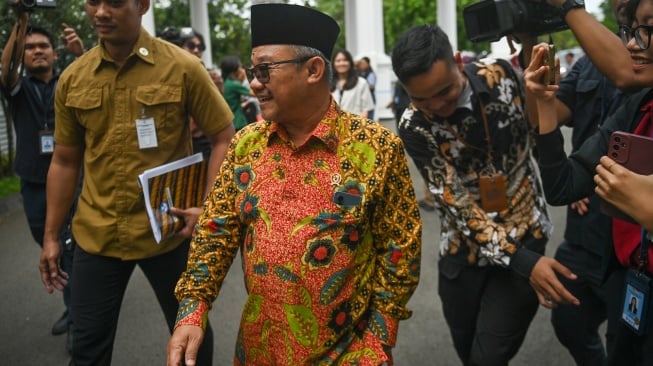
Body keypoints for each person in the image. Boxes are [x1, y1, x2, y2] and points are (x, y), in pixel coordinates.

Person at [167, 4, 422, 366]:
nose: (255, 82)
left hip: (349, 354)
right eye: (252, 71)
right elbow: (214, 230)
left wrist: (378, 339)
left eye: (265, 70)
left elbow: (401, 250)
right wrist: (193, 309)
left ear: (314, 70)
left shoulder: (377, 148)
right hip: (259, 352)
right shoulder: (246, 145)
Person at [37, 0, 235, 364]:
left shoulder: (183, 67)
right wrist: (51, 236)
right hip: (98, 234)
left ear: (142, 5)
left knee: (191, 342)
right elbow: (65, 161)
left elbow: (224, 135)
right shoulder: (74, 78)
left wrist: (207, 207)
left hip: (169, 231)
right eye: (93, 2)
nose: (100, 12)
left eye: (114, 2)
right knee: (87, 348)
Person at [391, 24, 579, 365]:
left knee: (487, 359)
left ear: (459, 62)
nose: (437, 105)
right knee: (468, 352)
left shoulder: (503, 74)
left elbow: (537, 131)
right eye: (421, 98)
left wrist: (568, 182)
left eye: (444, 91)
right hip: (463, 252)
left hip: (525, 237)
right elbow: (453, 202)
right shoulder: (413, 124)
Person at [525, 1, 653, 364]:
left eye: (649, 28)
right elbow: (563, 186)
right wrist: (545, 103)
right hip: (629, 283)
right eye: (631, 30)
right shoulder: (637, 107)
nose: (632, 45)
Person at [0, 4, 84, 354]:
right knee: (49, 246)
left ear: (54, 52)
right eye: (31, 48)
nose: (37, 51)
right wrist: (21, 23)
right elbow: (6, 71)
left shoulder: (70, 78)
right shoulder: (18, 87)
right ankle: (73, 305)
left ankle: (79, 318)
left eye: (43, 47)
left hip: (74, 179)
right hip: (35, 182)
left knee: (75, 247)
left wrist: (81, 56)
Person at [159, 26, 217, 159]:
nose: (196, 50)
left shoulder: (210, 77)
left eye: (200, 47)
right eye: (191, 45)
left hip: (200, 142)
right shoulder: (164, 76)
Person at [331, 48, 375, 118]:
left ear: (350, 63)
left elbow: (366, 109)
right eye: (338, 61)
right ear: (333, 63)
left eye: (345, 60)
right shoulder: (327, 84)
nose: (341, 63)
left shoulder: (361, 83)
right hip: (333, 126)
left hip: (355, 125)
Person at [220, 55, 254, 131]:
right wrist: (246, 77)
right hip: (238, 122)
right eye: (240, 66)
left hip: (231, 122)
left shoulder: (227, 83)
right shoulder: (234, 85)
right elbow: (254, 94)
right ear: (235, 68)